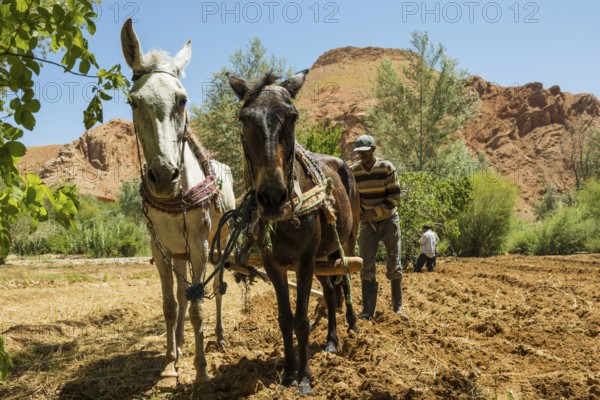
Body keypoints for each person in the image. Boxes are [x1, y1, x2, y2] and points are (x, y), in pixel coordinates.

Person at [350, 134, 408, 320]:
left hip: (389, 221)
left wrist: (372, 213)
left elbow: (395, 198)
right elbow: (352, 198)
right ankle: (368, 311)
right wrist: (359, 214)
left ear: (373, 150)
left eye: (365, 152)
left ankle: (397, 308)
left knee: (394, 263)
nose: (362, 155)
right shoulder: (353, 171)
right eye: (360, 152)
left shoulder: (387, 168)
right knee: (366, 266)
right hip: (367, 225)